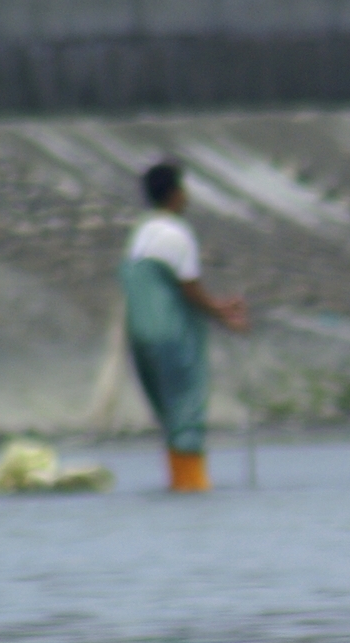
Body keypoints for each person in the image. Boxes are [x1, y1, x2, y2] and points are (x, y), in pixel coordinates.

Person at [120, 162, 248, 492]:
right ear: (175, 194)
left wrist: (218, 309)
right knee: (187, 411)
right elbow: (189, 288)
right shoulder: (176, 233)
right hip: (172, 334)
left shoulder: (140, 233)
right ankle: (191, 486)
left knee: (169, 416)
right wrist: (223, 313)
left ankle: (177, 484)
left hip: (139, 336)